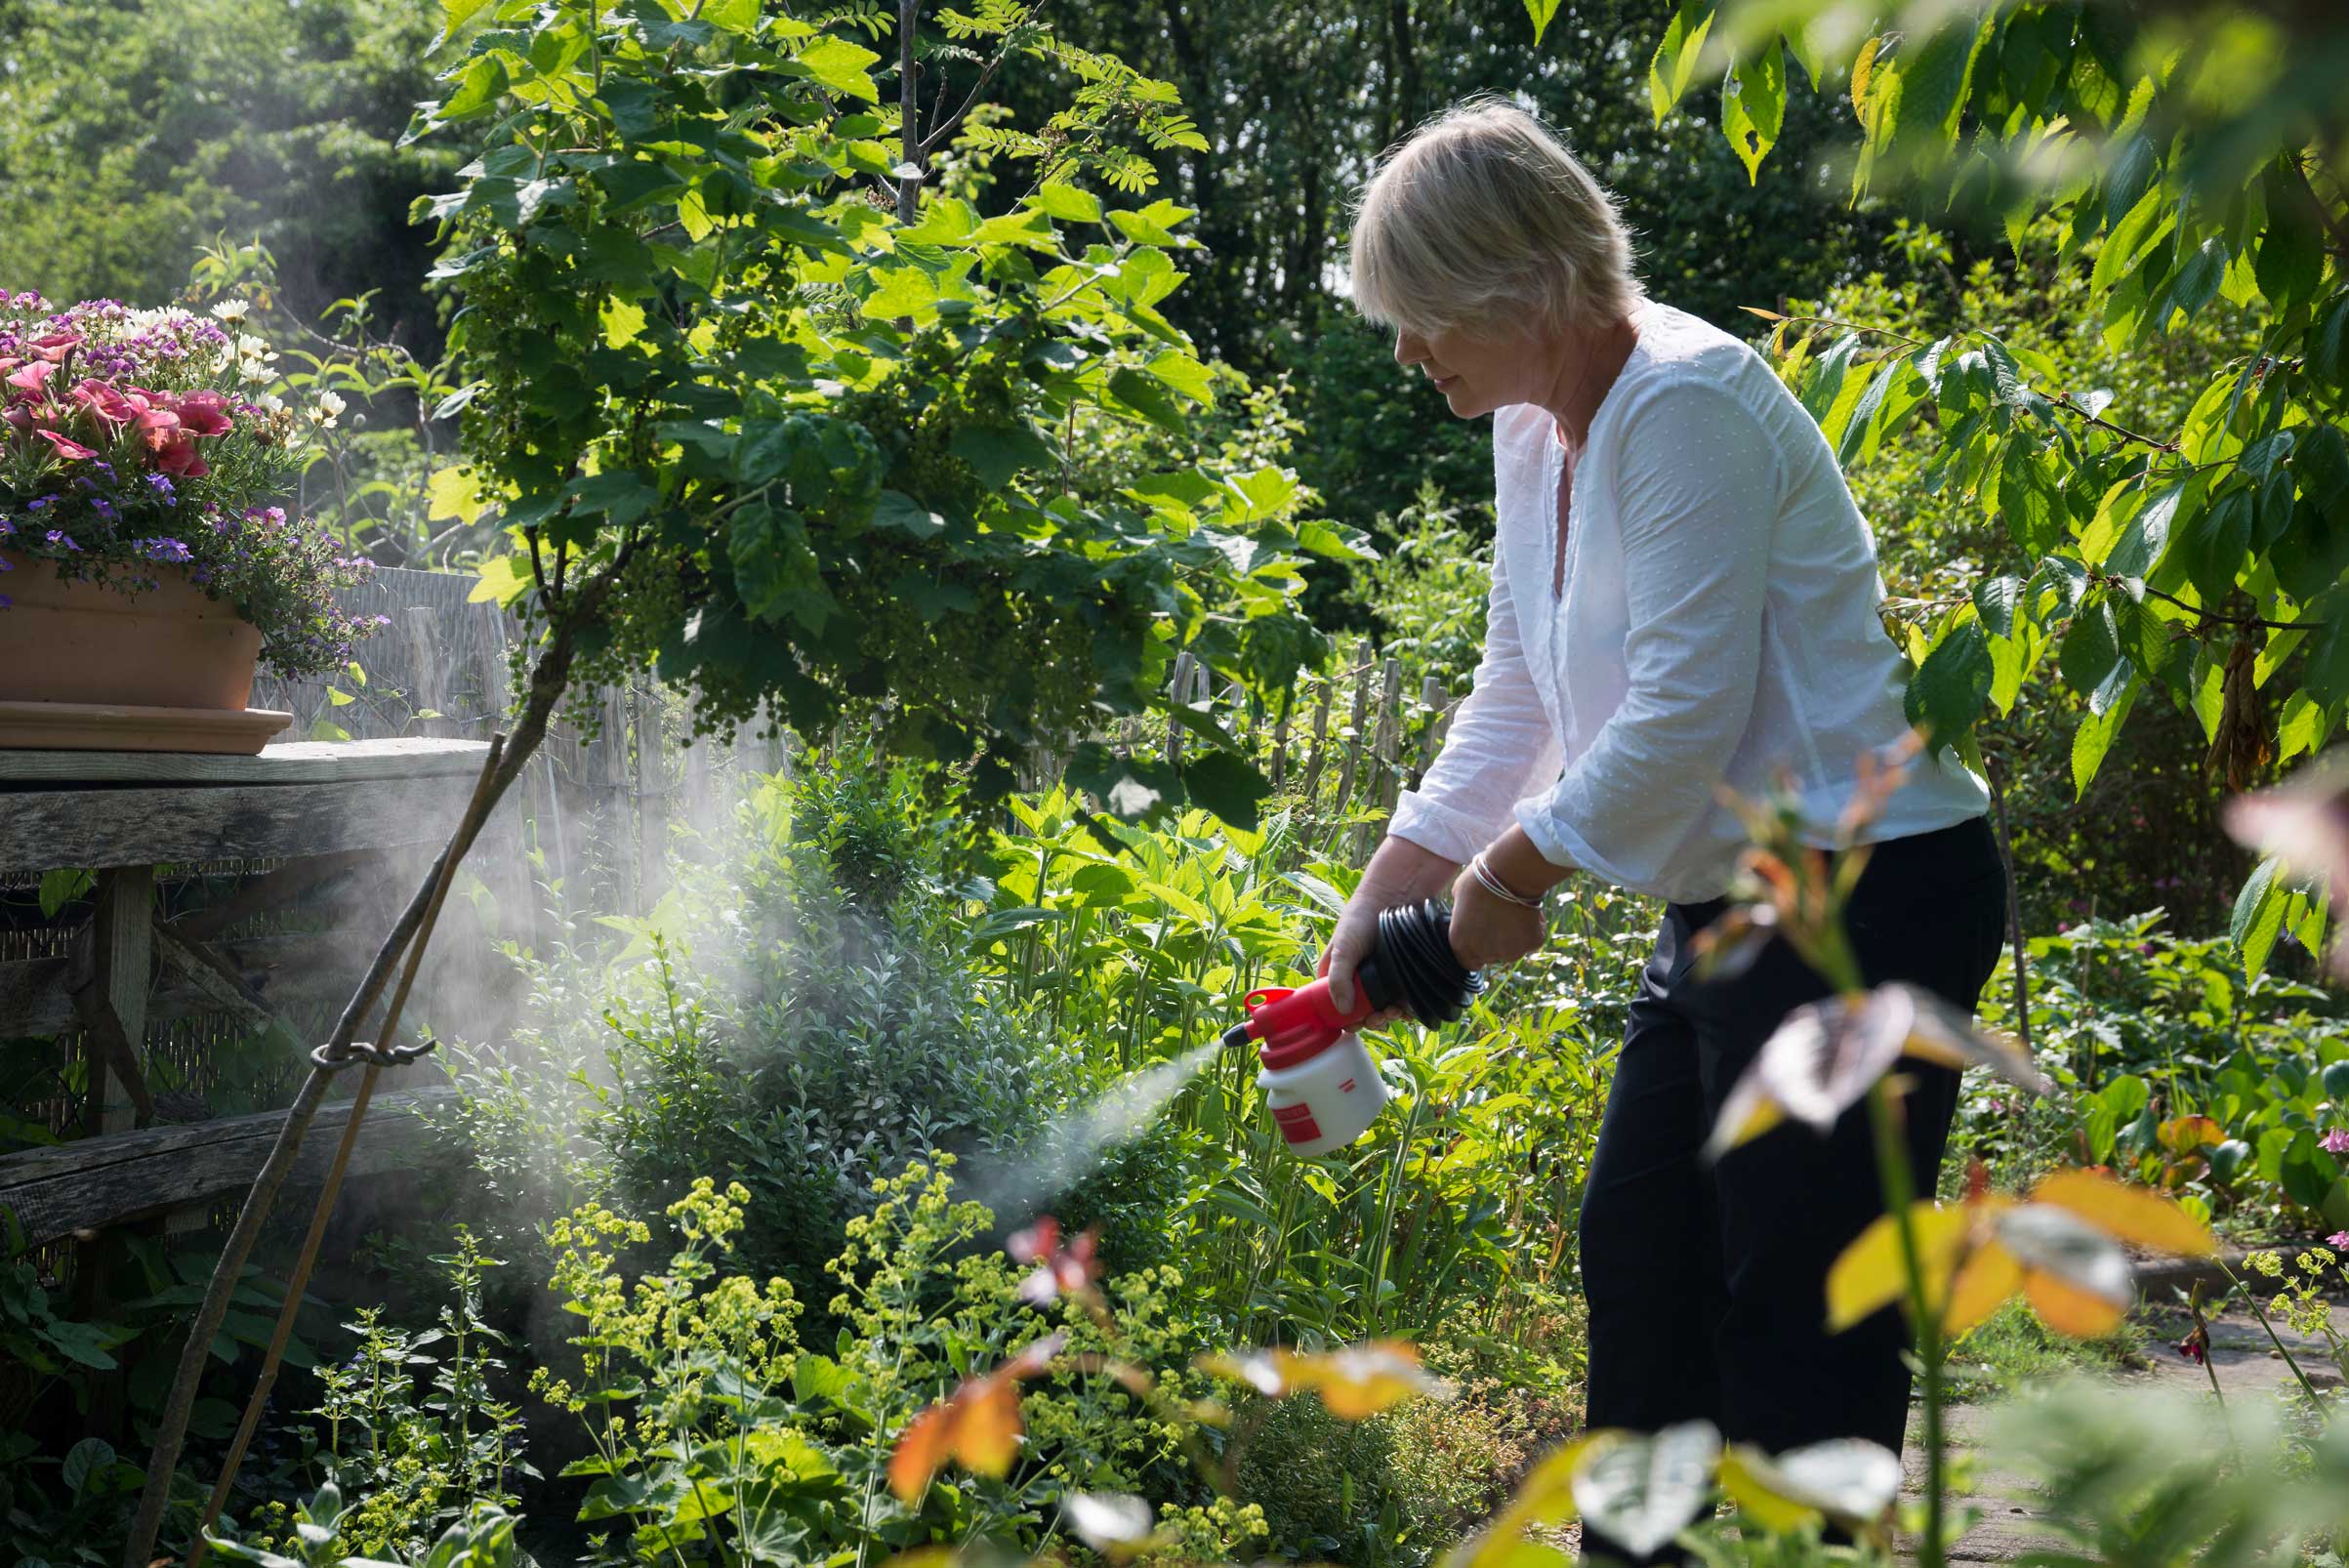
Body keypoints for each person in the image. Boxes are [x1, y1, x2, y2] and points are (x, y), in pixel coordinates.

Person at [1325, 99, 2009, 1565]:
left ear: (1516, 287)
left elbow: (1675, 717)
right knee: (1639, 1259)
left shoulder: (1686, 400)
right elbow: (1519, 686)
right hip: (1729, 897)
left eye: (1420, 315)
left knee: (1798, 1312)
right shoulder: (1533, 422)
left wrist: (1511, 872)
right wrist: (1386, 898)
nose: (1405, 353)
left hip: (1866, 892)